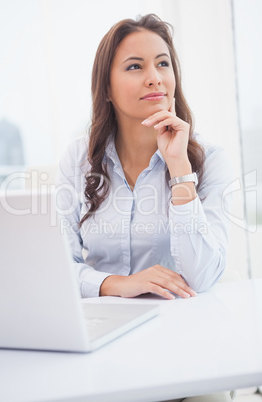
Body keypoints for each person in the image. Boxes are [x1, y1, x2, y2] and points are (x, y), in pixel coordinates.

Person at [56, 14, 234, 401]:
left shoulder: (210, 160)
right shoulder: (77, 161)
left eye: (163, 63)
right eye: (135, 66)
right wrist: (115, 284)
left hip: (183, 346)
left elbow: (203, 277)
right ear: (106, 87)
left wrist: (179, 171)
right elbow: (54, 272)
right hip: (99, 346)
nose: (154, 77)